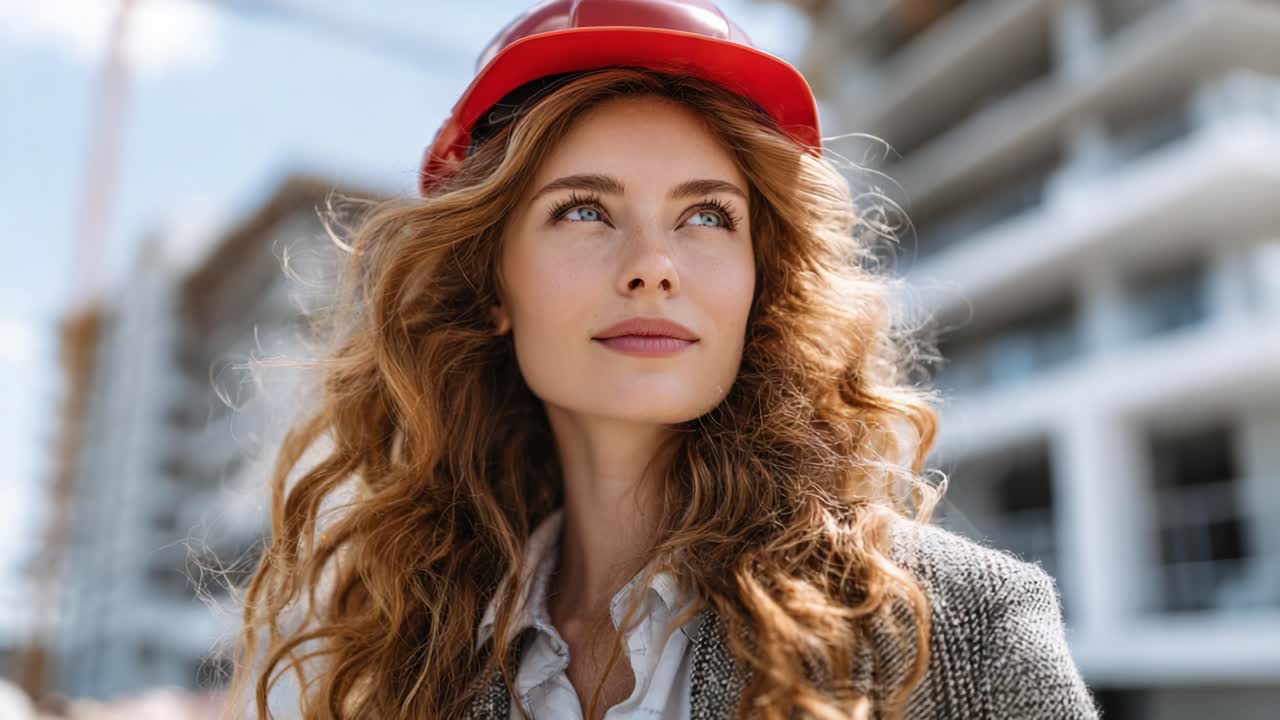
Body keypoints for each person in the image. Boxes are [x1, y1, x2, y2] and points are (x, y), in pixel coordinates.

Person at [226, 1, 1099, 718]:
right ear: (490, 286)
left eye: (708, 216)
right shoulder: (409, 655)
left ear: (762, 281)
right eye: (583, 211)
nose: (654, 264)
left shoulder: (964, 626)